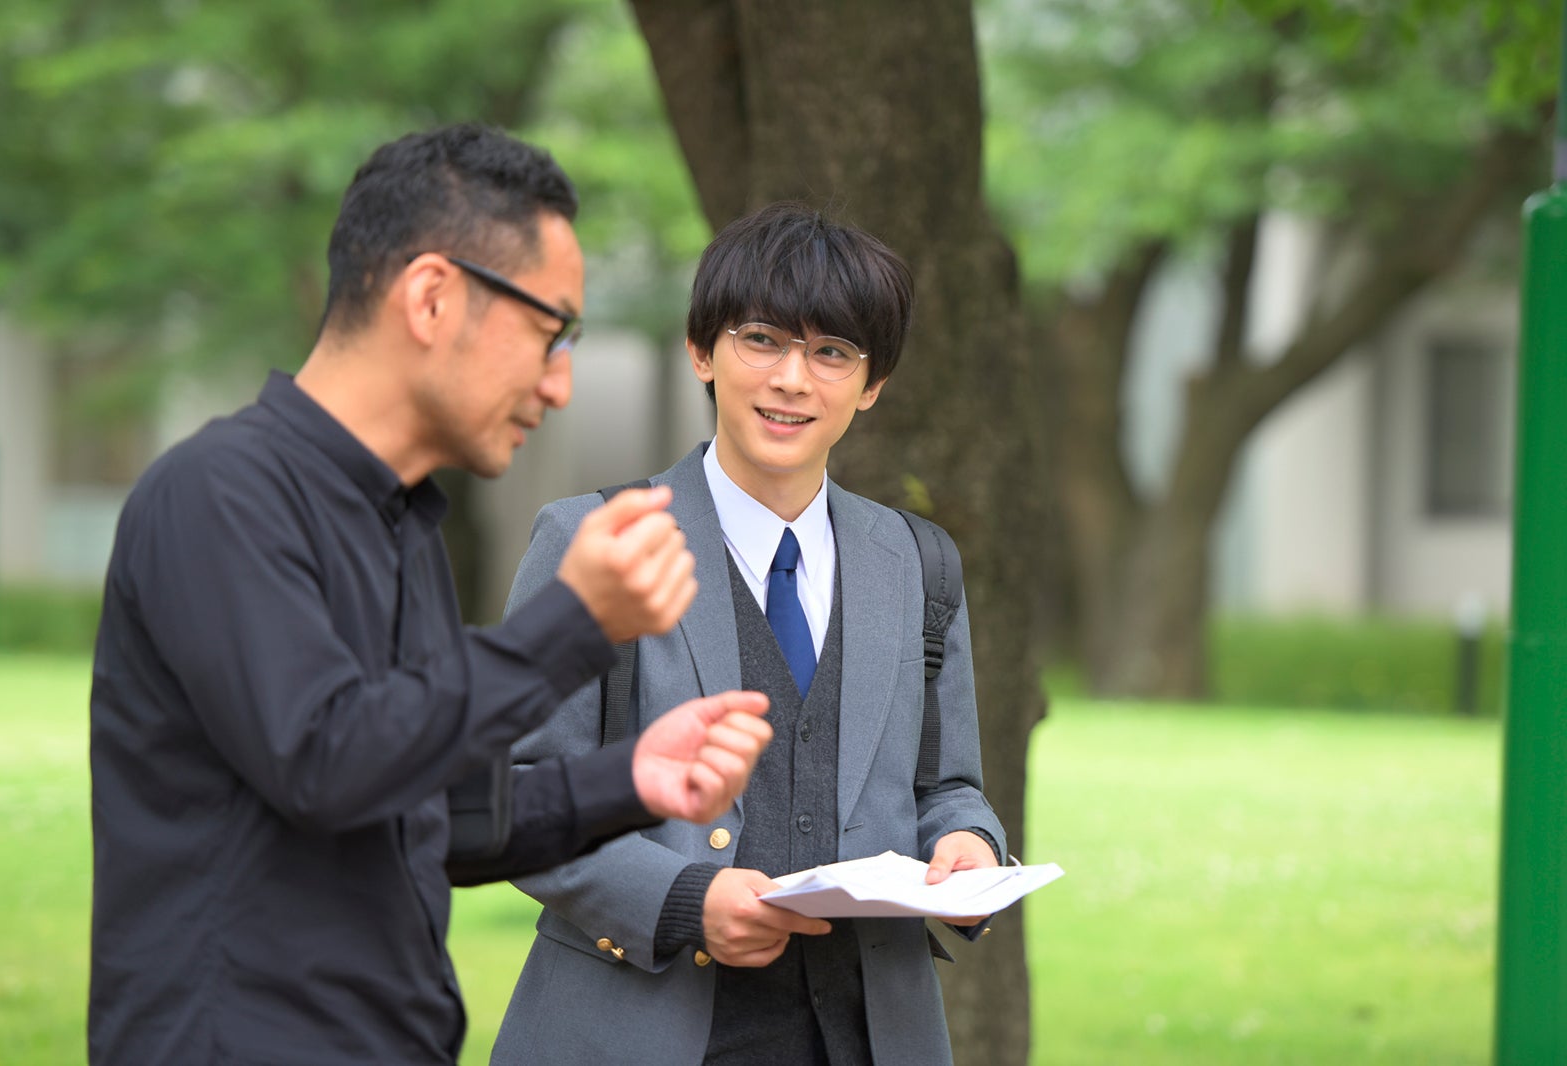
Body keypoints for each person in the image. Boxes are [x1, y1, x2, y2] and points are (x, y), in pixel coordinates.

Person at [87, 124, 774, 1066]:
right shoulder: (220, 494)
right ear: (433, 297)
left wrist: (631, 782)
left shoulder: (401, 524)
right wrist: (573, 626)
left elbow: (436, 821)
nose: (561, 383)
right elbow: (327, 759)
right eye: (549, 332)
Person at [489, 202, 1007, 1065]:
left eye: (832, 353)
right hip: (640, 1032)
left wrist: (968, 843)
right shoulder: (593, 541)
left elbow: (946, 787)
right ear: (703, 350)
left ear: (872, 385)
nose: (793, 380)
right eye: (762, 339)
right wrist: (687, 900)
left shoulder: (919, 564)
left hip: (871, 1034)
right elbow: (515, 796)